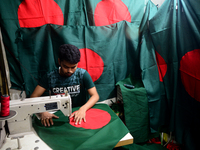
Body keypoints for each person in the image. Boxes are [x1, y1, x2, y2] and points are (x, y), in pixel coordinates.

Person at [31, 44, 99, 127]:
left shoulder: (83, 74)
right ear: (59, 62)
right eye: (66, 67)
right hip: (57, 115)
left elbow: (95, 96)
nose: (69, 71)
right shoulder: (49, 77)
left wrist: (83, 109)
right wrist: (42, 112)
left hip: (78, 113)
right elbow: (34, 96)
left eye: (73, 67)